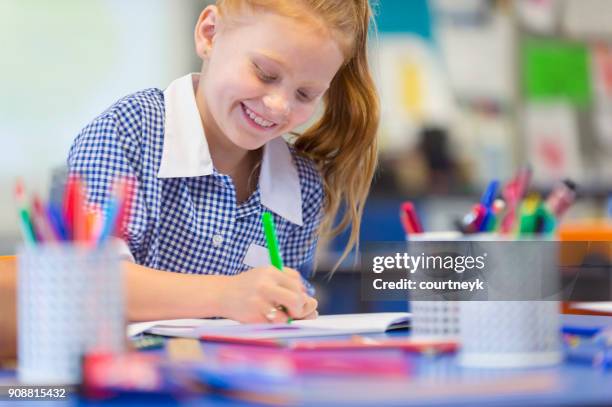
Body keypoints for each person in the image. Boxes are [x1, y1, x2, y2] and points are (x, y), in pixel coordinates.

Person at [68, 0, 379, 324]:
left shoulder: (301, 187)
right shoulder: (127, 133)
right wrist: (227, 294)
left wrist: (292, 308)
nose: (278, 106)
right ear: (210, 34)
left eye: (305, 95)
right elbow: (90, 285)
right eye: (265, 73)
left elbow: (281, 317)